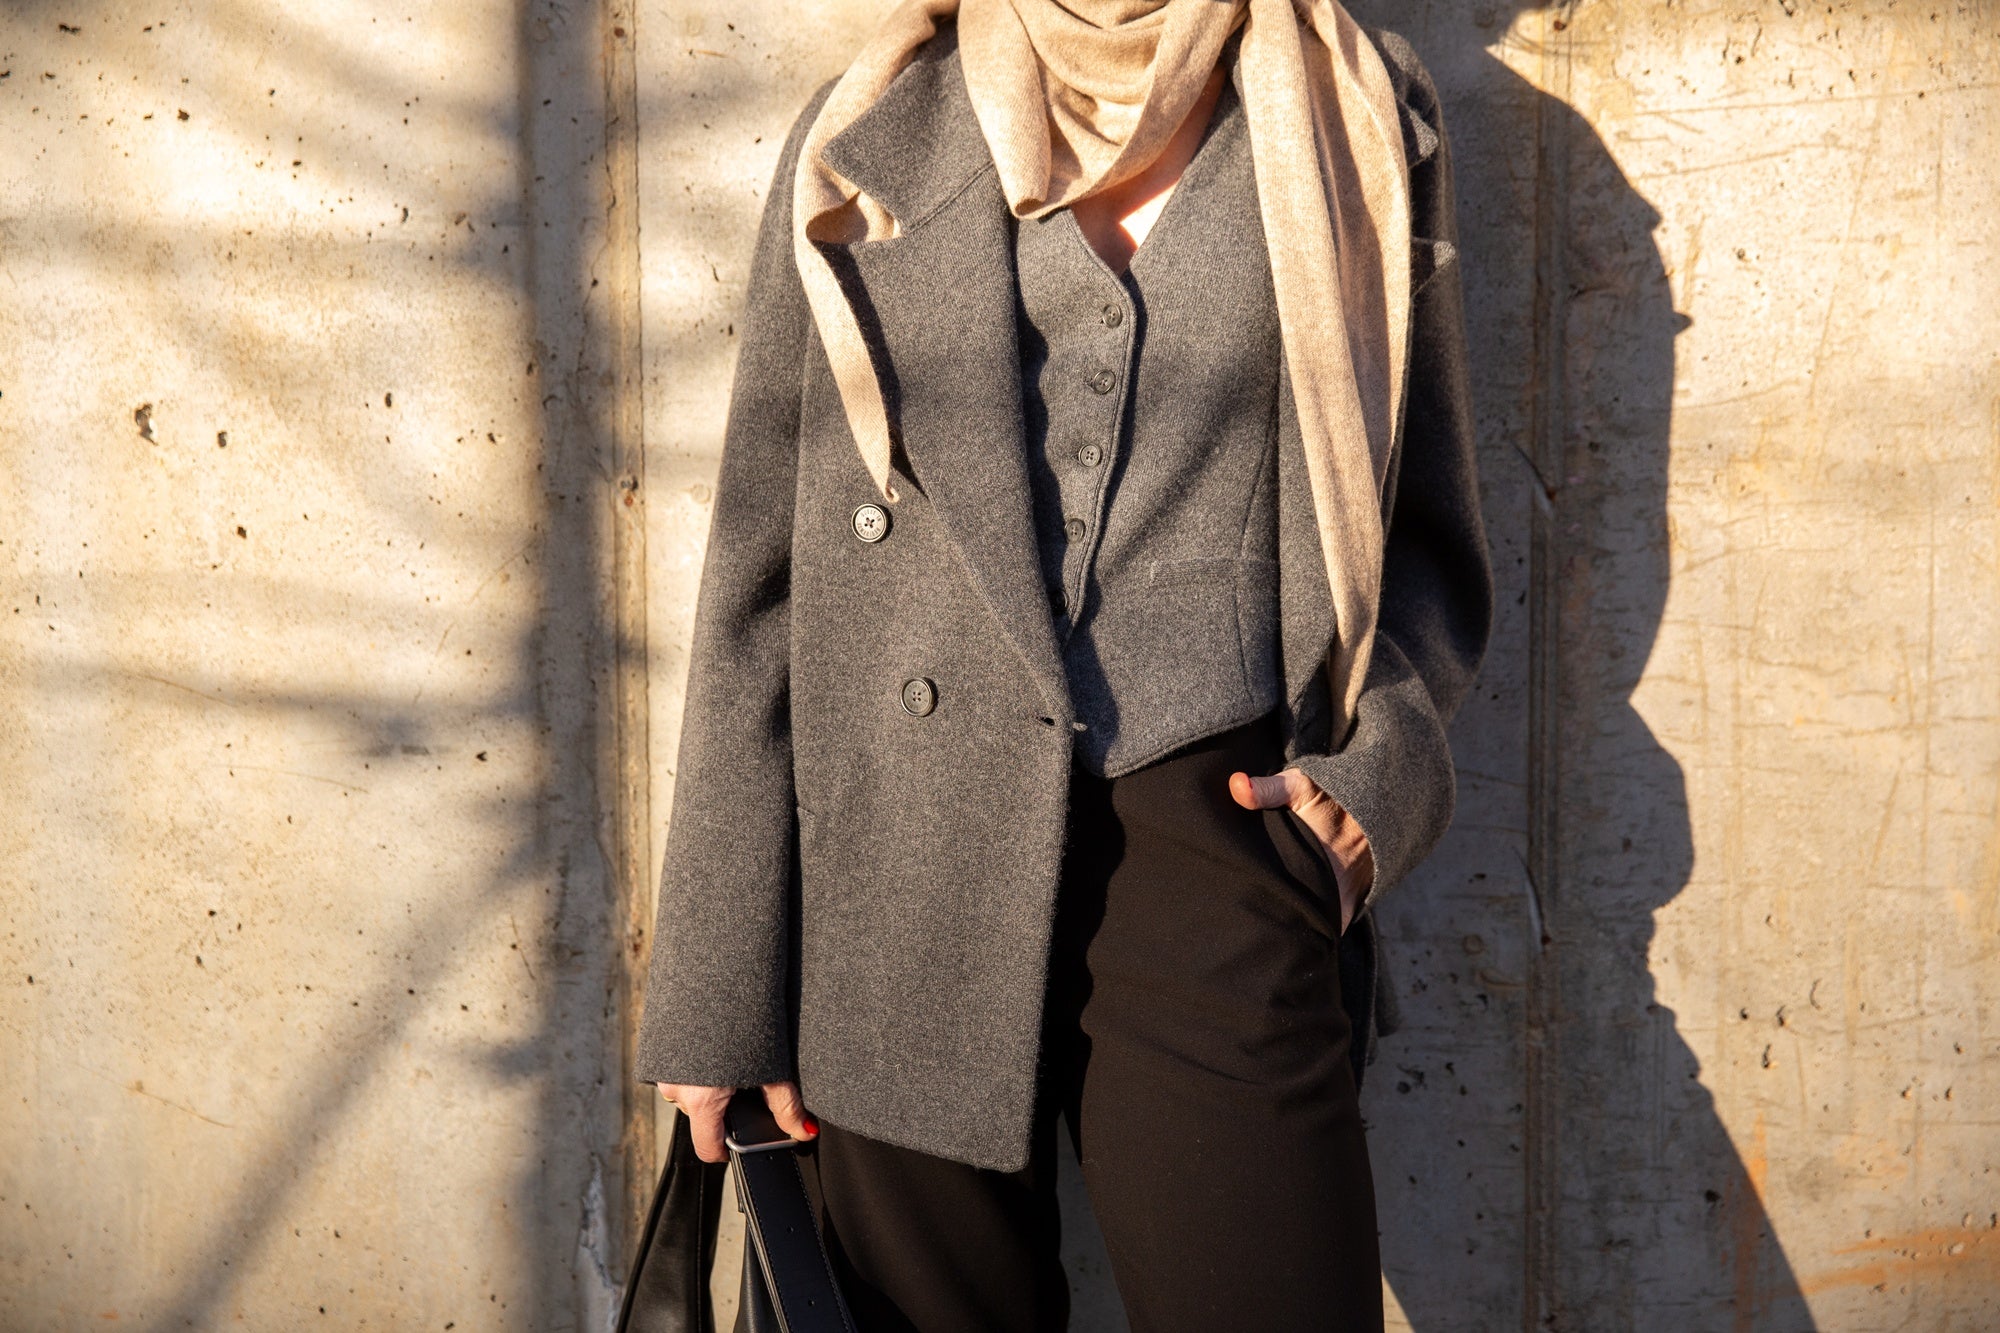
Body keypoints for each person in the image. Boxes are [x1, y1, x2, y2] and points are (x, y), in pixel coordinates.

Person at [638, 1, 1491, 1328]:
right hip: (897, 868)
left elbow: (1421, 527)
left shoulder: (1352, 109)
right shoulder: (869, 132)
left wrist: (1370, 791)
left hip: (1216, 849)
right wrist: (720, 989)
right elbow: (762, 575)